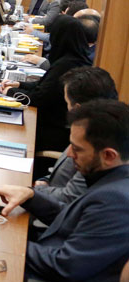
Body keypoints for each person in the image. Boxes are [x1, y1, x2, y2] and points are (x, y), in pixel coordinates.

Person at [0, 100, 129, 282]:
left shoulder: (116, 201)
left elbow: (65, 266)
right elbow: (72, 219)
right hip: (46, 266)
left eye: (77, 149)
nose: (69, 155)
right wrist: (30, 196)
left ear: (108, 156)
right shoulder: (111, 180)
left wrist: (7, 242)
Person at [2, 15, 93, 153]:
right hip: (56, 124)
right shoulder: (75, 58)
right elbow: (45, 85)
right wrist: (19, 85)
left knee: (8, 133)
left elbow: (40, 98)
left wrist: (9, 92)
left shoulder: (66, 65)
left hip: (51, 131)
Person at [31, 67, 119, 204]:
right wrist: (44, 181)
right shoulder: (87, 128)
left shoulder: (96, 143)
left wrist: (34, 190)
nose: (70, 153)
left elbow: (69, 197)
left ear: (77, 108)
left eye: (66, 103)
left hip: (53, 208)